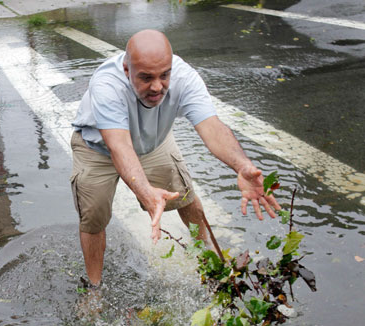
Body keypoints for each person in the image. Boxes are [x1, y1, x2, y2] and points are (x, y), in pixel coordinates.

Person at [70, 29, 281, 288]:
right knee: (93, 217)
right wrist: (146, 191)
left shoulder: (184, 76)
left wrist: (243, 165)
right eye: (146, 78)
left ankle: (210, 258)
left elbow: (212, 127)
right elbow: (120, 147)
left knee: (185, 197)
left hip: (154, 143)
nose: (157, 86)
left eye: (164, 75)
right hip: (97, 148)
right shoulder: (107, 84)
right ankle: (94, 287)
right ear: (127, 70)